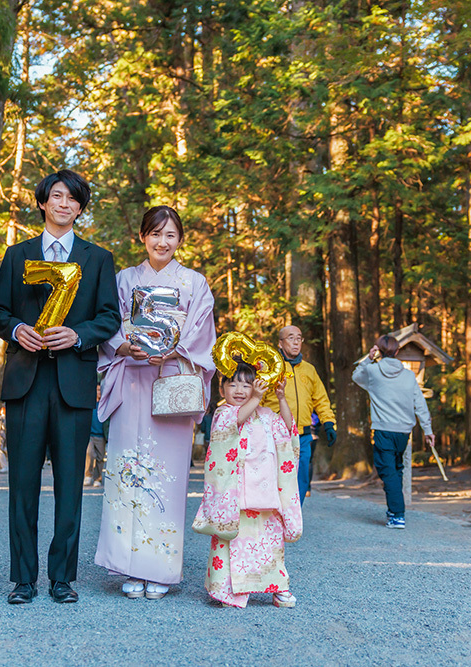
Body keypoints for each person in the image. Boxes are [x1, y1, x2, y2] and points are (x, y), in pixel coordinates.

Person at [0, 169, 121, 605]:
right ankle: (23, 579)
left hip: (74, 382)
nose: (64, 204)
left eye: (73, 199)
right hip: (26, 381)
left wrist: (78, 334)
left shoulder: (97, 258)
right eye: (56, 196)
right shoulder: (17, 254)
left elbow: (109, 317)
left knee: (70, 485)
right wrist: (18, 328)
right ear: (43, 202)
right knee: (22, 484)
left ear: (80, 208)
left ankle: (62, 578)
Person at [95, 205, 216, 601]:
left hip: (173, 379)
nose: (162, 243)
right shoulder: (124, 279)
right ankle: (128, 565)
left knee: (168, 473)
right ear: (143, 237)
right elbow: (109, 322)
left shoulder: (194, 282)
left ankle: (160, 568)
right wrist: (123, 345)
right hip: (132, 376)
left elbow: (201, 330)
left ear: (180, 240)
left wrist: (173, 346)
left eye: (170, 236)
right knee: (127, 469)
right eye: (155, 234)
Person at [192, 362, 303, 608]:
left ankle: (277, 586)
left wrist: (281, 398)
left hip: (265, 493)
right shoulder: (224, 413)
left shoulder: (265, 415)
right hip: (234, 495)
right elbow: (237, 420)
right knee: (230, 541)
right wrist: (257, 397)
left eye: (246, 384)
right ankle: (225, 590)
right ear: (222, 389)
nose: (240, 389)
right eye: (232, 384)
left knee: (269, 543)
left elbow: (287, 431)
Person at [352, 334, 435, 529]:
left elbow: (356, 377)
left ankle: (397, 515)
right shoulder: (408, 375)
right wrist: (428, 429)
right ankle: (394, 510)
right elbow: (419, 403)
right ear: (397, 352)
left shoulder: (372, 371)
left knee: (387, 471)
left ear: (379, 351)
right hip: (403, 432)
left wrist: (368, 359)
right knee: (396, 469)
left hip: (383, 429)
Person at [261, 325, 335, 505]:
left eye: (299, 338)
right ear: (280, 342)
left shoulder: (309, 370)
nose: (296, 342)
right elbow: (259, 398)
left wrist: (329, 422)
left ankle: (294, 518)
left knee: (301, 478)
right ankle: (272, 518)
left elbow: (321, 399)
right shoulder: (269, 367)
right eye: (290, 337)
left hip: (303, 434)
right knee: (274, 476)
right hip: (275, 433)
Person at [84, 385, 106, 487]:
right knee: (89, 453)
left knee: (100, 458)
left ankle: (98, 478)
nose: (98, 392)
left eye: (100, 390)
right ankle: (88, 475)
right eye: (97, 390)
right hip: (89, 434)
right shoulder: (90, 403)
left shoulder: (105, 404)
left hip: (101, 435)